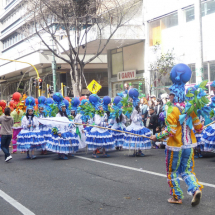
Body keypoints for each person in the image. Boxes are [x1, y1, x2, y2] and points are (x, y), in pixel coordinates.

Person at [150, 64, 204, 206]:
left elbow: (171, 131)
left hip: (175, 146)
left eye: (170, 94)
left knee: (172, 172)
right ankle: (195, 189)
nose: (169, 97)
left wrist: (156, 137)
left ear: (174, 94)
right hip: (189, 145)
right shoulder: (190, 107)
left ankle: (176, 197)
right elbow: (199, 127)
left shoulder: (171, 109)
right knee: (187, 171)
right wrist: (199, 127)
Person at [123, 89, 152, 157]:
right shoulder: (134, 110)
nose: (139, 104)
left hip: (139, 125)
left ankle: (138, 151)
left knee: (139, 139)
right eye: (138, 103)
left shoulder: (138, 109)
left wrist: (140, 117)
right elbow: (133, 119)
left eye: (139, 103)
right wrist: (139, 118)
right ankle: (136, 151)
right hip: (135, 126)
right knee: (136, 139)